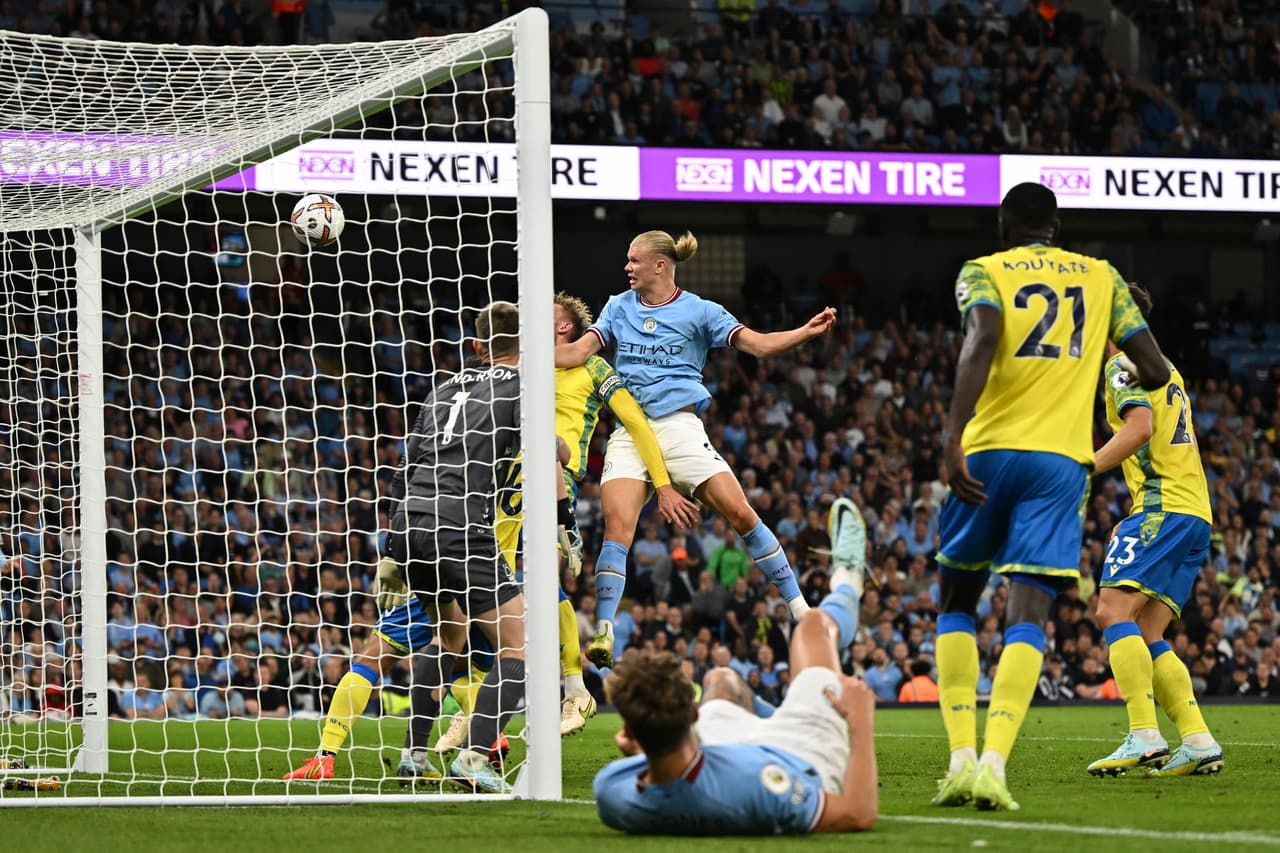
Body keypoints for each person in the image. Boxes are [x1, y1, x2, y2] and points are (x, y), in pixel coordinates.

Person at [932, 183, 1171, 811]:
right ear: (1057, 228)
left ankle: (958, 759)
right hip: (1060, 465)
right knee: (1028, 611)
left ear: (1006, 225)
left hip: (986, 452)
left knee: (957, 599)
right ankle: (993, 767)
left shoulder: (983, 271)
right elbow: (1154, 368)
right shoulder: (1103, 278)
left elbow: (979, 342)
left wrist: (951, 438)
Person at [556, 230, 837, 667]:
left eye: (634, 260)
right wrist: (519, 349)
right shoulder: (616, 306)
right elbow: (574, 354)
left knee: (741, 513)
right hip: (632, 432)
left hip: (680, 428)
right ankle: (606, 631)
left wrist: (805, 331)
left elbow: (759, 346)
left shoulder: (701, 311)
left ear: (660, 266)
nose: (626, 267)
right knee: (617, 527)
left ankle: (799, 609)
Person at [593, 498, 877, 835]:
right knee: (813, 626)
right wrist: (859, 724)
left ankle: (781, 709)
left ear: (629, 734)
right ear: (693, 713)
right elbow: (856, 814)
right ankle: (849, 578)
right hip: (798, 752)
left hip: (711, 749)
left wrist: (646, 742)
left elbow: (659, 776)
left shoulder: (611, 791)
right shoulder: (754, 788)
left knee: (722, 678)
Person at [1087, 284, 1223, 778]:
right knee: (1148, 630)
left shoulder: (1120, 364)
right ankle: (1198, 739)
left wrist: (1084, 467)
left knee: (1111, 609)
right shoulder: (1165, 367)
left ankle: (1144, 734)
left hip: (1164, 508)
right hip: (1192, 511)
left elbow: (1140, 429)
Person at [552, 292, 699, 734]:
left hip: (551, 479)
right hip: (497, 478)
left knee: (532, 582)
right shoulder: (519, 364)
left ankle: (575, 689)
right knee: (486, 588)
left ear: (565, 328)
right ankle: (471, 699)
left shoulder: (594, 367)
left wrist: (663, 483)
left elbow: (635, 423)